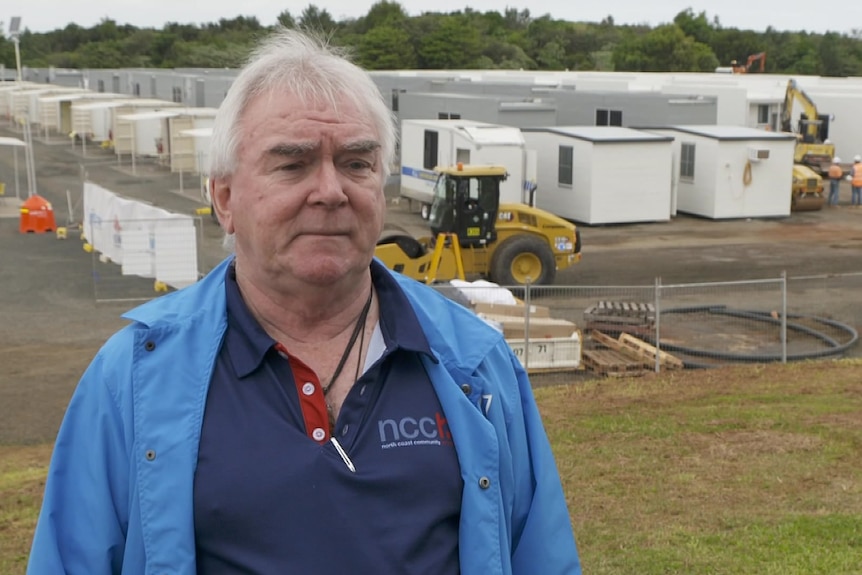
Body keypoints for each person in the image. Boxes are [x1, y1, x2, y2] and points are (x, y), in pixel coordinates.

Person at [27, 28, 581, 574]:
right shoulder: (133, 379)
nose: (331, 191)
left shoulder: (477, 364)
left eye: (357, 163)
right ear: (224, 198)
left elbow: (541, 557)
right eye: (292, 164)